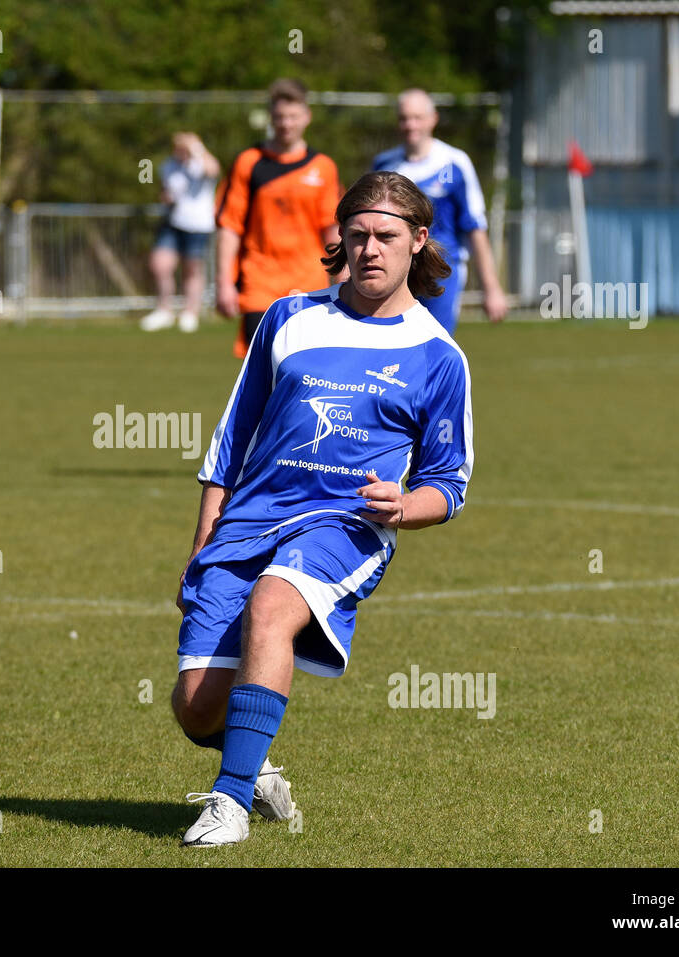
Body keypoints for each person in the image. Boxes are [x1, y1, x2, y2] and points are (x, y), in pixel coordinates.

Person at [172, 170, 473, 846]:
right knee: (195, 707)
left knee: (273, 605)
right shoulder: (289, 317)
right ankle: (253, 764)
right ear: (340, 236)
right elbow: (231, 438)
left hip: (345, 524)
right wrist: (203, 540)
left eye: (386, 236)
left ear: (418, 241)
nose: (369, 248)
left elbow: (448, 482)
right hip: (250, 515)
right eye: (358, 233)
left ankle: (229, 803)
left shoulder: (437, 356)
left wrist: (404, 505)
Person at [214, 78, 345, 359]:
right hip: (259, 284)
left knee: (307, 372)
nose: (286, 124)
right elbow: (229, 226)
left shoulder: (323, 167)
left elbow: (332, 230)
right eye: (280, 117)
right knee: (259, 375)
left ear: (307, 117)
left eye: (293, 116)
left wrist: (345, 279)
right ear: (271, 118)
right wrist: (224, 282)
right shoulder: (249, 162)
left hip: (310, 286)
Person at [372, 88, 507, 333]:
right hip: (395, 270)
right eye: (404, 118)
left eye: (417, 118)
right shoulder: (384, 165)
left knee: (436, 346)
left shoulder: (454, 163)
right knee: (390, 346)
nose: (410, 125)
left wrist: (492, 287)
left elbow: (474, 227)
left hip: (440, 272)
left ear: (432, 119)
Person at [140, 132, 221, 334]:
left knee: (191, 269)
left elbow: (213, 170)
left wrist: (197, 148)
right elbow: (166, 190)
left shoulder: (200, 163)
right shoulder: (168, 166)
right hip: (173, 221)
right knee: (160, 265)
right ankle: (164, 310)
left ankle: (190, 312)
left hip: (198, 225)